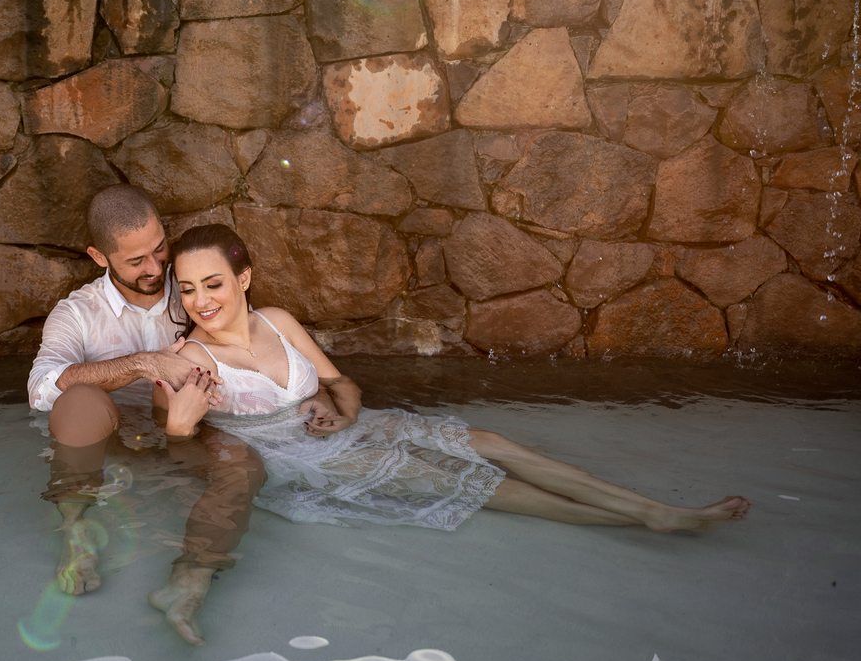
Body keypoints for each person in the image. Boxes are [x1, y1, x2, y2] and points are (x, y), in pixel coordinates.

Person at [159, 224, 752, 534]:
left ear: (243, 277)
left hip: (340, 428)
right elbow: (181, 444)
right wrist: (180, 428)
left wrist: (343, 412)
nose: (201, 300)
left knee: (488, 444)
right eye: (187, 288)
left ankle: (646, 505)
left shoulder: (279, 321)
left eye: (212, 283)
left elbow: (344, 386)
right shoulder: (191, 359)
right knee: (462, 481)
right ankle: (644, 518)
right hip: (300, 454)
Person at [27, 187, 267, 646]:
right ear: (99, 256)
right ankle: (76, 532)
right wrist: (143, 363)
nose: (155, 268)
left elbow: (252, 341)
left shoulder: (197, 289)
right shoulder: (76, 314)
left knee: (245, 465)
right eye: (136, 260)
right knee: (78, 400)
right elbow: (40, 389)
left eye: (160, 249)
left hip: (184, 432)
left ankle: (189, 581)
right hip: (105, 441)